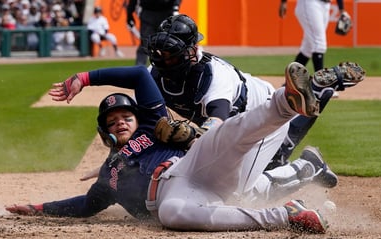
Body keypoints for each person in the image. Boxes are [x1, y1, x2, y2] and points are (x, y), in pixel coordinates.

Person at [6, 62, 329, 233]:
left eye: (125, 115)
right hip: (177, 196)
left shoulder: (153, 124)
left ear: (137, 117)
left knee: (227, 135)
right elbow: (84, 206)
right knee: (173, 214)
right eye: (112, 121)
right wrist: (39, 208)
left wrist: (85, 78)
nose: (120, 121)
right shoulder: (108, 176)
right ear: (104, 132)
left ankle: (286, 103)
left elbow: (137, 75)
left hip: (189, 167)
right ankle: (286, 216)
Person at [146, 15, 365, 186]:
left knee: (261, 172)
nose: (165, 59)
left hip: (259, 107)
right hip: (246, 107)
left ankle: (311, 160)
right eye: (162, 52)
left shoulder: (213, 75)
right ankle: (316, 90)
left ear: (192, 50)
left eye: (172, 53)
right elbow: (143, 117)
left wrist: (192, 136)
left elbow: (216, 124)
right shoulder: (154, 74)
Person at [279, 0, 348, 98]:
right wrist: (284, 2)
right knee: (319, 44)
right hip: (310, 3)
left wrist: (341, 9)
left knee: (308, 48)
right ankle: (320, 86)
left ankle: (290, 84)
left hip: (325, 5)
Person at [126, 0, 181, 66]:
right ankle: (139, 71)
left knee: (167, 45)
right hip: (149, 12)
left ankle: (168, 71)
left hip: (165, 12)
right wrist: (130, 12)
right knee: (145, 44)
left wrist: (175, 6)